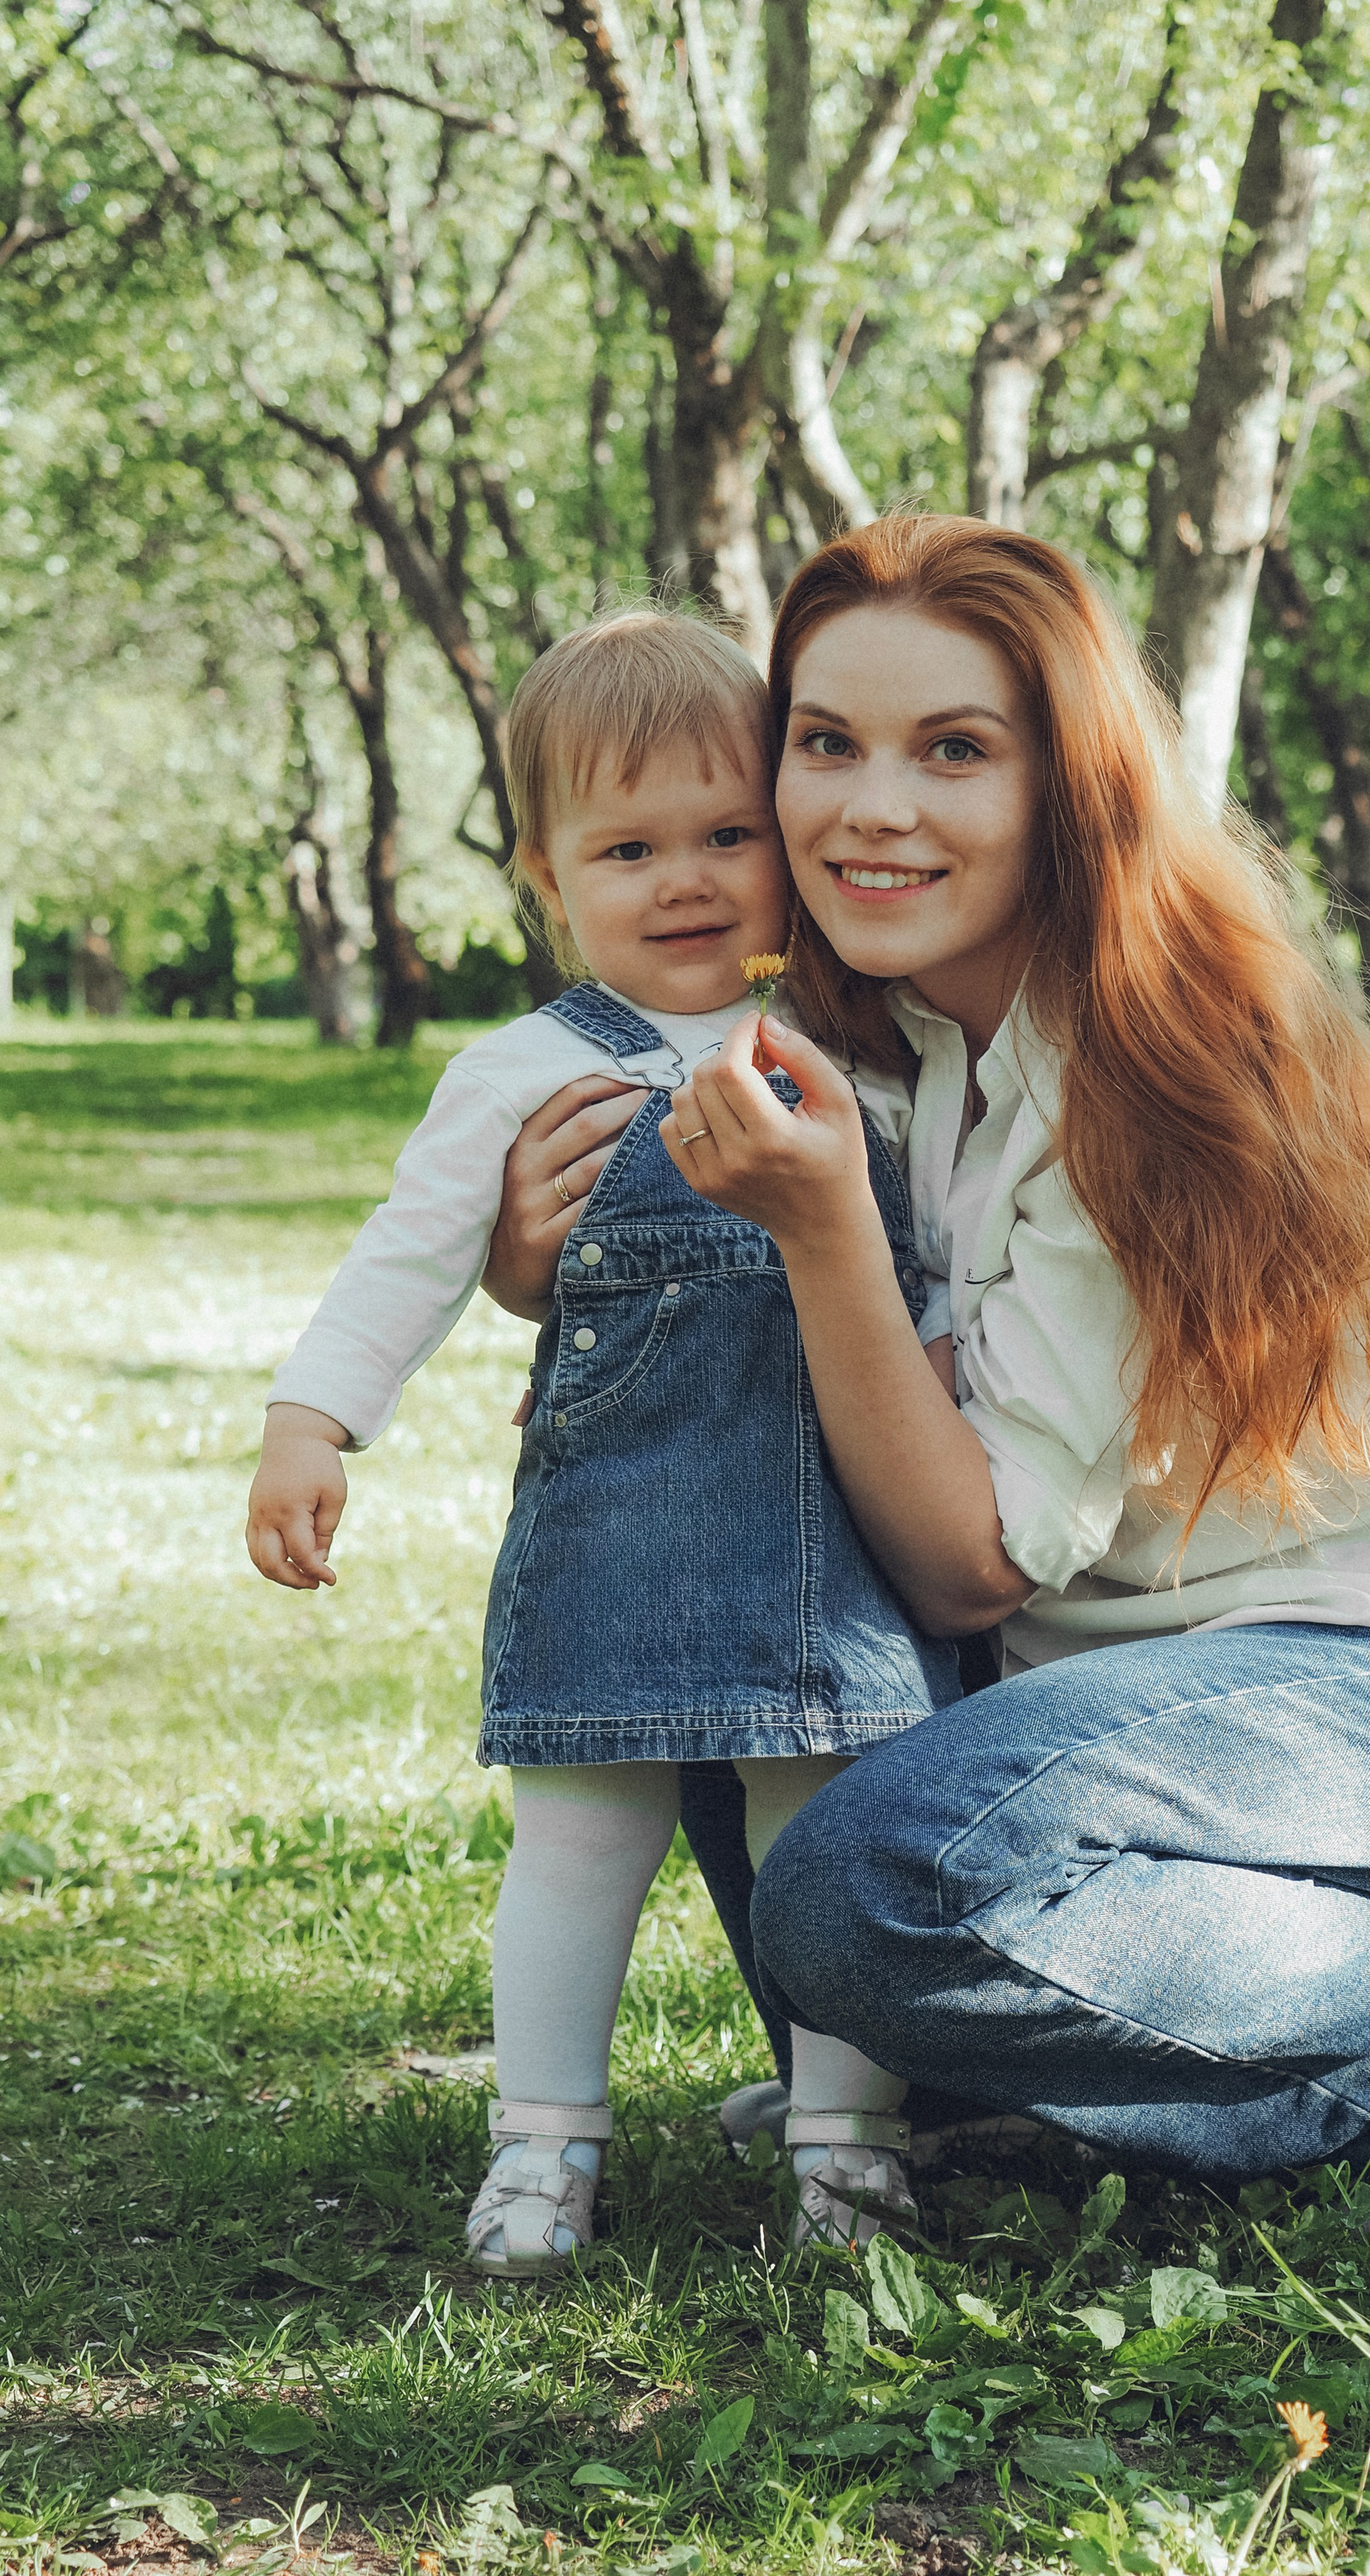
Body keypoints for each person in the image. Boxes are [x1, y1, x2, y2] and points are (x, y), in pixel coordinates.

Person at [488, 518, 1370, 2242]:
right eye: (827, 745)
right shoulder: (881, 1040)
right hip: (1089, 1706)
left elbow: (967, 1553)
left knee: (869, 1893)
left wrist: (826, 1243)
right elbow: (764, 1428)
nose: (871, 807)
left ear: (1070, 785)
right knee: (753, 1690)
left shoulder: (1165, 1064)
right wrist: (539, 1266)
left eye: (952, 750)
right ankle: (1017, 2081)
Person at [245, 609, 959, 2273]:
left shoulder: (868, 1061)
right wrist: (312, 1419)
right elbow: (407, 1255)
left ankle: (844, 2147)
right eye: (628, 847)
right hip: (614, 1526)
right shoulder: (521, 1073)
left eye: (726, 836)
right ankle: (543, 2147)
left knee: (820, 1850)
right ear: (545, 875)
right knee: (576, 1847)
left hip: (827, 1544)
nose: (687, 879)